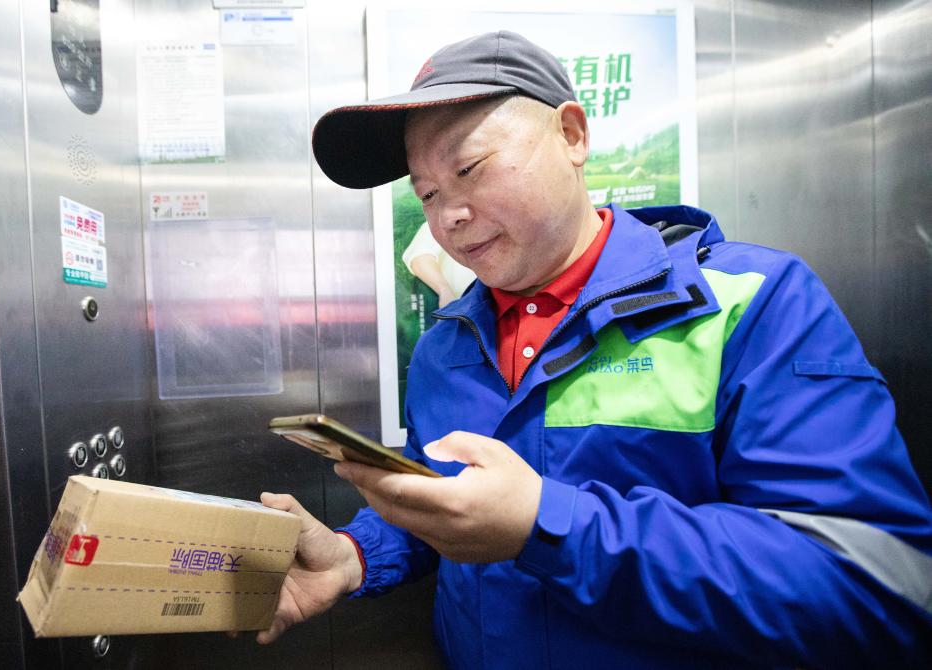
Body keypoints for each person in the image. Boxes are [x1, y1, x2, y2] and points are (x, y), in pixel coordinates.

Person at [257, 31, 932, 668]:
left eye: (468, 168)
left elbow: (872, 584)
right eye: (427, 192)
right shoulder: (447, 346)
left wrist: (549, 526)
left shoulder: (749, 303)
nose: (448, 215)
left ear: (572, 135)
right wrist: (356, 554)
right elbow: (450, 507)